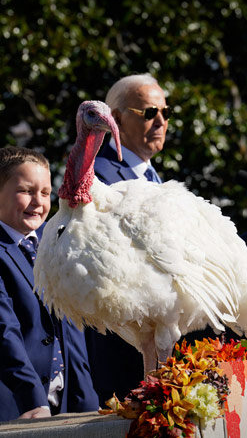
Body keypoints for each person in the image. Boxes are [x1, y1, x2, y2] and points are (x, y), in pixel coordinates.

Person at [0, 147, 99, 427]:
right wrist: (33, 400)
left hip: (70, 402)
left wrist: (87, 401)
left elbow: (73, 327)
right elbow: (0, 331)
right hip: (14, 407)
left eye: (45, 193)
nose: (38, 202)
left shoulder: (57, 239)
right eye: (26, 191)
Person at [87, 73, 170, 404]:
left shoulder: (155, 177)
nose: (161, 121)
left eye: (165, 112)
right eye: (149, 113)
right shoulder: (98, 178)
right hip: (123, 348)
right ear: (117, 119)